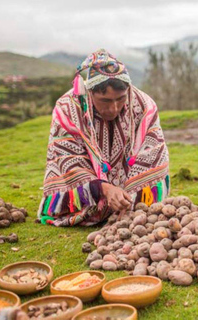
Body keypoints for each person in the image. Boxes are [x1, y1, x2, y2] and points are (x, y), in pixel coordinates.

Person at [37, 49, 170, 226]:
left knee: (142, 209)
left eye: (120, 99)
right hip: (90, 190)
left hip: (129, 186)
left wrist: (128, 195)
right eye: (105, 101)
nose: (114, 108)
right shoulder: (68, 108)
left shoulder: (144, 106)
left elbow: (153, 152)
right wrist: (102, 188)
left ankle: (127, 206)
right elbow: (66, 157)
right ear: (90, 93)